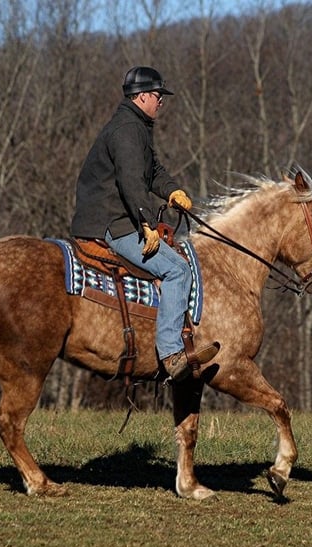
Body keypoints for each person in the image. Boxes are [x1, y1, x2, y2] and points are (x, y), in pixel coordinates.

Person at [71, 66, 219, 381]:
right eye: (157, 95)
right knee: (177, 269)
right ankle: (171, 355)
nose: (161, 101)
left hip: (118, 215)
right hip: (112, 221)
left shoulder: (136, 125)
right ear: (141, 97)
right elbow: (129, 181)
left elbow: (150, 172)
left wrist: (173, 191)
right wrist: (147, 222)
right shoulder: (127, 129)